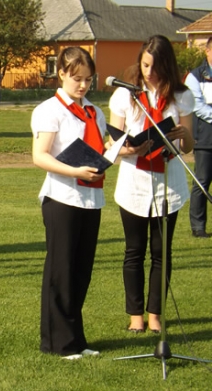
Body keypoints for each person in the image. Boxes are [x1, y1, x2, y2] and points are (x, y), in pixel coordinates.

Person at [108, 35, 194, 334]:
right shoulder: (125, 94)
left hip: (168, 182)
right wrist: (129, 148)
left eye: (156, 67)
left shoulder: (181, 96)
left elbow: (187, 147)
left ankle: (155, 314)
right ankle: (135, 316)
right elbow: (112, 143)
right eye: (145, 65)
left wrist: (184, 135)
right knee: (134, 251)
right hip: (134, 181)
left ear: (167, 66)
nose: (149, 72)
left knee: (161, 252)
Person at [32, 47, 105, 359]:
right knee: (61, 271)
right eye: (77, 79)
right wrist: (74, 171)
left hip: (91, 197)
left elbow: (99, 150)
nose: (83, 85)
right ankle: (57, 342)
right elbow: (40, 156)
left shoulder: (95, 112)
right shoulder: (50, 110)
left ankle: (76, 339)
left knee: (81, 271)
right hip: (61, 197)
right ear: (61, 73)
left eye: (88, 79)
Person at [186, 37, 212, 238]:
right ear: (207, 51)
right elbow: (197, 106)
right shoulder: (195, 76)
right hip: (205, 137)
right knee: (202, 181)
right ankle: (198, 226)